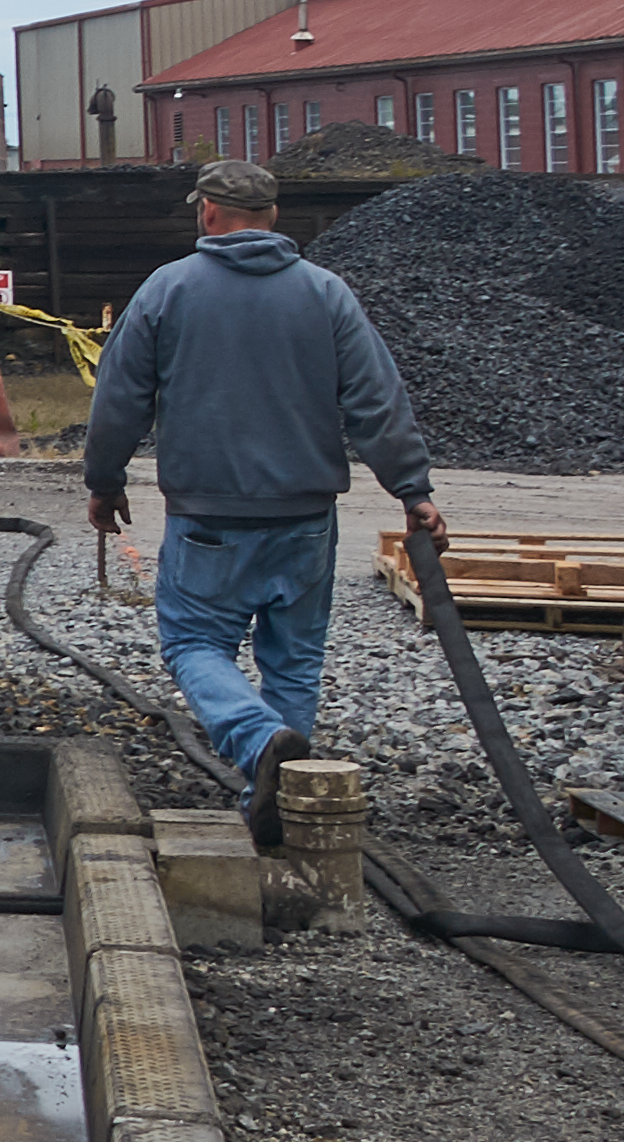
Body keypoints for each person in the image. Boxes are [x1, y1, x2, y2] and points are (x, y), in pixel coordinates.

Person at [81, 157, 445, 842]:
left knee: (192, 641)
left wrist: (104, 481)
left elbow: (119, 398)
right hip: (304, 514)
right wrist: (412, 489)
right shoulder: (325, 293)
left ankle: (256, 743)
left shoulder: (168, 290)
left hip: (206, 511)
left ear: (207, 213)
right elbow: (375, 401)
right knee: (293, 659)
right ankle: (283, 802)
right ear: (273, 217)